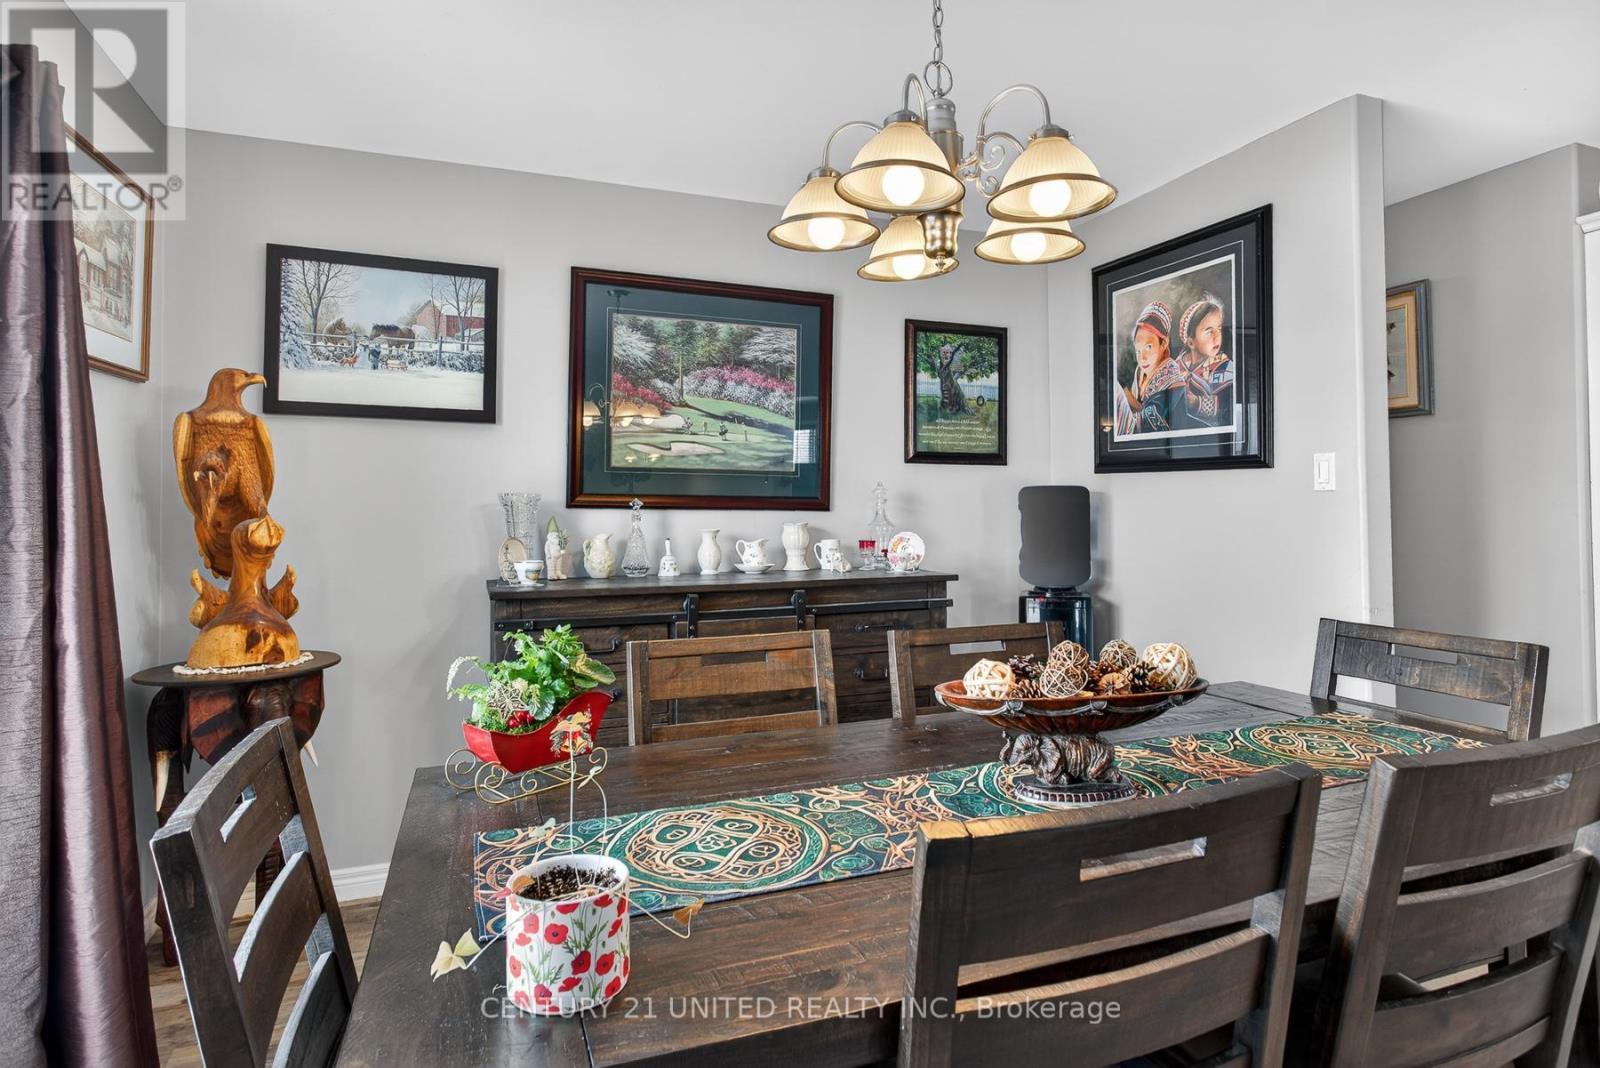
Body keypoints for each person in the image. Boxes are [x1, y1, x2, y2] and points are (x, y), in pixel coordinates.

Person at [1117, 300, 1185, 434]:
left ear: (1164, 343)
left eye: (1148, 347)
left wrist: (1122, 395)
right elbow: (1139, 409)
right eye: (1138, 351)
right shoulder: (1140, 372)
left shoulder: (1172, 380)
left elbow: (1149, 424)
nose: (1142, 358)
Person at [1176, 294, 1234, 429]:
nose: (1217, 337)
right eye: (1209, 332)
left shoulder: (1223, 365)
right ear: (1191, 342)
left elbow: (1227, 406)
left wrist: (1196, 403)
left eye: (1219, 329)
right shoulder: (1177, 365)